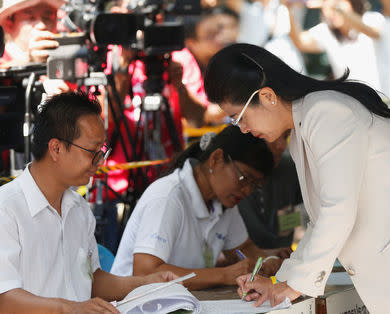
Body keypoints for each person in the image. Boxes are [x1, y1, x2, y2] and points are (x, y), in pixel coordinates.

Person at [204, 43, 390, 314]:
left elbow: (338, 208)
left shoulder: (326, 112)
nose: (244, 129)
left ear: (268, 96)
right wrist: (283, 280)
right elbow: (324, 218)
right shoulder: (305, 125)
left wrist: (293, 285)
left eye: (240, 117)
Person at [0, 92, 177, 313]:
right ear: (56, 148)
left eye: (102, 151)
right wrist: (70, 309)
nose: (100, 161)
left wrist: (145, 284)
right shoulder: (6, 208)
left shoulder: (78, 207)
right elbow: (5, 299)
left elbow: (91, 280)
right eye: (93, 152)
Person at [111, 125, 286, 290]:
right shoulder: (168, 197)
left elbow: (243, 250)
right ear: (216, 159)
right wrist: (224, 275)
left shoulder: (223, 205)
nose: (247, 190)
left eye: (254, 185)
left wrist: (270, 259)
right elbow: (145, 272)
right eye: (244, 178)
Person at [168, 6, 240, 128]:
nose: (221, 37)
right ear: (191, 42)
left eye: (219, 30)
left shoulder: (219, 57)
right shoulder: (182, 59)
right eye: (211, 35)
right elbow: (205, 114)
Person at [238, 130, 303, 249]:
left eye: (285, 137)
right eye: (275, 137)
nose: (282, 145)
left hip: (282, 254)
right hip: (245, 258)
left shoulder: (289, 168)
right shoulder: (235, 175)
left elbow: (294, 206)